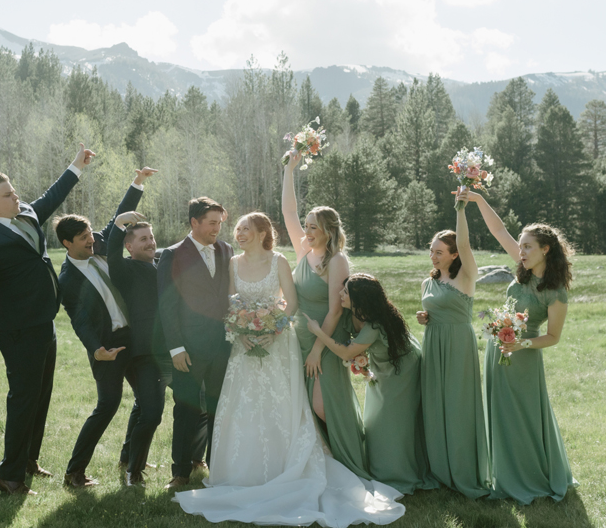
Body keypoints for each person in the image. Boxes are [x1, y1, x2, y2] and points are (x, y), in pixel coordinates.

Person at [173, 214, 405, 526]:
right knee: (244, 406)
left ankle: (290, 464)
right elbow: (231, 302)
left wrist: (273, 329)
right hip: (243, 347)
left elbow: (291, 303)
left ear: (261, 233)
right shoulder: (233, 263)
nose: (238, 234)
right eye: (237, 229)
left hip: (278, 343)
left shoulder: (279, 261)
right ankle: (241, 472)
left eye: (245, 229)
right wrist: (241, 332)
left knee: (280, 404)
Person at [0, 144, 95, 496]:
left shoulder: (28, 212)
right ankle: (10, 476)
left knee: (41, 393)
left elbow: (53, 196)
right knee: (23, 397)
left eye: (14, 191)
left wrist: (76, 166)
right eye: (8, 194)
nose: (16, 196)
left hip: (43, 319)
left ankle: (29, 459)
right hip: (16, 326)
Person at [459, 189, 577, 504]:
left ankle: (530, 476)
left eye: (527, 246)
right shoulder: (522, 268)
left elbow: (553, 337)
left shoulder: (555, 291)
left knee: (523, 418)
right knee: (499, 414)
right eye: (520, 246)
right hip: (498, 351)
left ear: (545, 249)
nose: (521, 251)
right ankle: (503, 474)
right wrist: (478, 200)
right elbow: (499, 230)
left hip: (523, 357)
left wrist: (519, 344)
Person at [56, 168, 153, 488]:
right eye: (83, 238)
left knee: (146, 400)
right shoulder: (69, 279)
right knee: (107, 405)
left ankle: (130, 457)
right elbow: (79, 319)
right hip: (108, 347)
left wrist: (137, 184)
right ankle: (74, 472)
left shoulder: (98, 246)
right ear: (67, 243)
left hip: (134, 338)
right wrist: (96, 349)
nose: (92, 240)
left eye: (90, 234)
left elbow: (117, 221)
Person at [306, 274, 438, 495]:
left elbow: (347, 352)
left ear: (359, 299)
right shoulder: (358, 314)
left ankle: (397, 473)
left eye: (345, 292)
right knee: (376, 419)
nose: (340, 294)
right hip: (384, 368)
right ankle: (381, 466)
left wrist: (319, 332)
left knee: (392, 421)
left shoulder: (374, 324)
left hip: (401, 371)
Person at [281, 150, 367, 479]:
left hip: (326, 341)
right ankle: (322, 461)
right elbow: (288, 211)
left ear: (328, 230)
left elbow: (335, 310)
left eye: (313, 227)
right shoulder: (305, 251)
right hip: (301, 338)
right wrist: (290, 169)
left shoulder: (337, 261)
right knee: (307, 407)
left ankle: (351, 459)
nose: (306, 231)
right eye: (306, 226)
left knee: (323, 405)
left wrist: (318, 349)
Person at [416, 190, 490, 498]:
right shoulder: (428, 282)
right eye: (431, 251)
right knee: (435, 404)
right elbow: (431, 310)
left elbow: (465, 243)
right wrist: (424, 317)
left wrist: (460, 209)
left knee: (459, 405)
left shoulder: (466, 277)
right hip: (433, 344)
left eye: (439, 252)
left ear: (454, 254)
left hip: (458, 345)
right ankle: (439, 468)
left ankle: (463, 468)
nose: (433, 256)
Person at [158, 197, 233, 489]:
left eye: (219, 223)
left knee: (218, 408)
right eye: (212, 223)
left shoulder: (226, 250)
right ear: (194, 222)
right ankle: (180, 472)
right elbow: (167, 306)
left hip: (223, 346)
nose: (217, 229)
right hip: (188, 349)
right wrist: (176, 348)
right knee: (185, 410)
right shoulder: (172, 255)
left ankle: (218, 467)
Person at [107, 208, 171, 486]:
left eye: (152, 237)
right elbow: (111, 253)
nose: (150, 242)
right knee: (152, 413)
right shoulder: (125, 270)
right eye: (143, 239)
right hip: (143, 352)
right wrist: (119, 225)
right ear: (129, 247)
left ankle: (127, 457)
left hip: (168, 349)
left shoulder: (159, 264)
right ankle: (134, 471)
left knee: (143, 405)